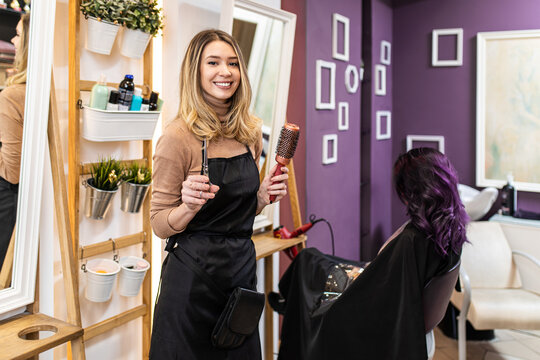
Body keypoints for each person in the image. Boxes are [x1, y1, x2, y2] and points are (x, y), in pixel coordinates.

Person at [149, 29, 289, 359]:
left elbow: (238, 211)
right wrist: (187, 206)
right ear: (195, 71)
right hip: (190, 283)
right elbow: (159, 224)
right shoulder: (177, 137)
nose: (225, 72)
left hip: (239, 275)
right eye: (213, 62)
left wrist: (261, 197)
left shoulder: (250, 132)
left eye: (233, 63)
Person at [276, 147, 469, 360]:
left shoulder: (411, 239)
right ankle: (289, 298)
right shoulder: (451, 227)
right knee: (312, 259)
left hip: (371, 305)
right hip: (380, 285)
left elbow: (377, 298)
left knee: (309, 263)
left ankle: (289, 301)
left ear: (411, 190)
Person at [0, 13, 30, 270]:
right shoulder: (35, 91)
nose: (12, 39)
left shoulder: (11, 95)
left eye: (19, 35)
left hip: (9, 195)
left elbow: (12, 171)